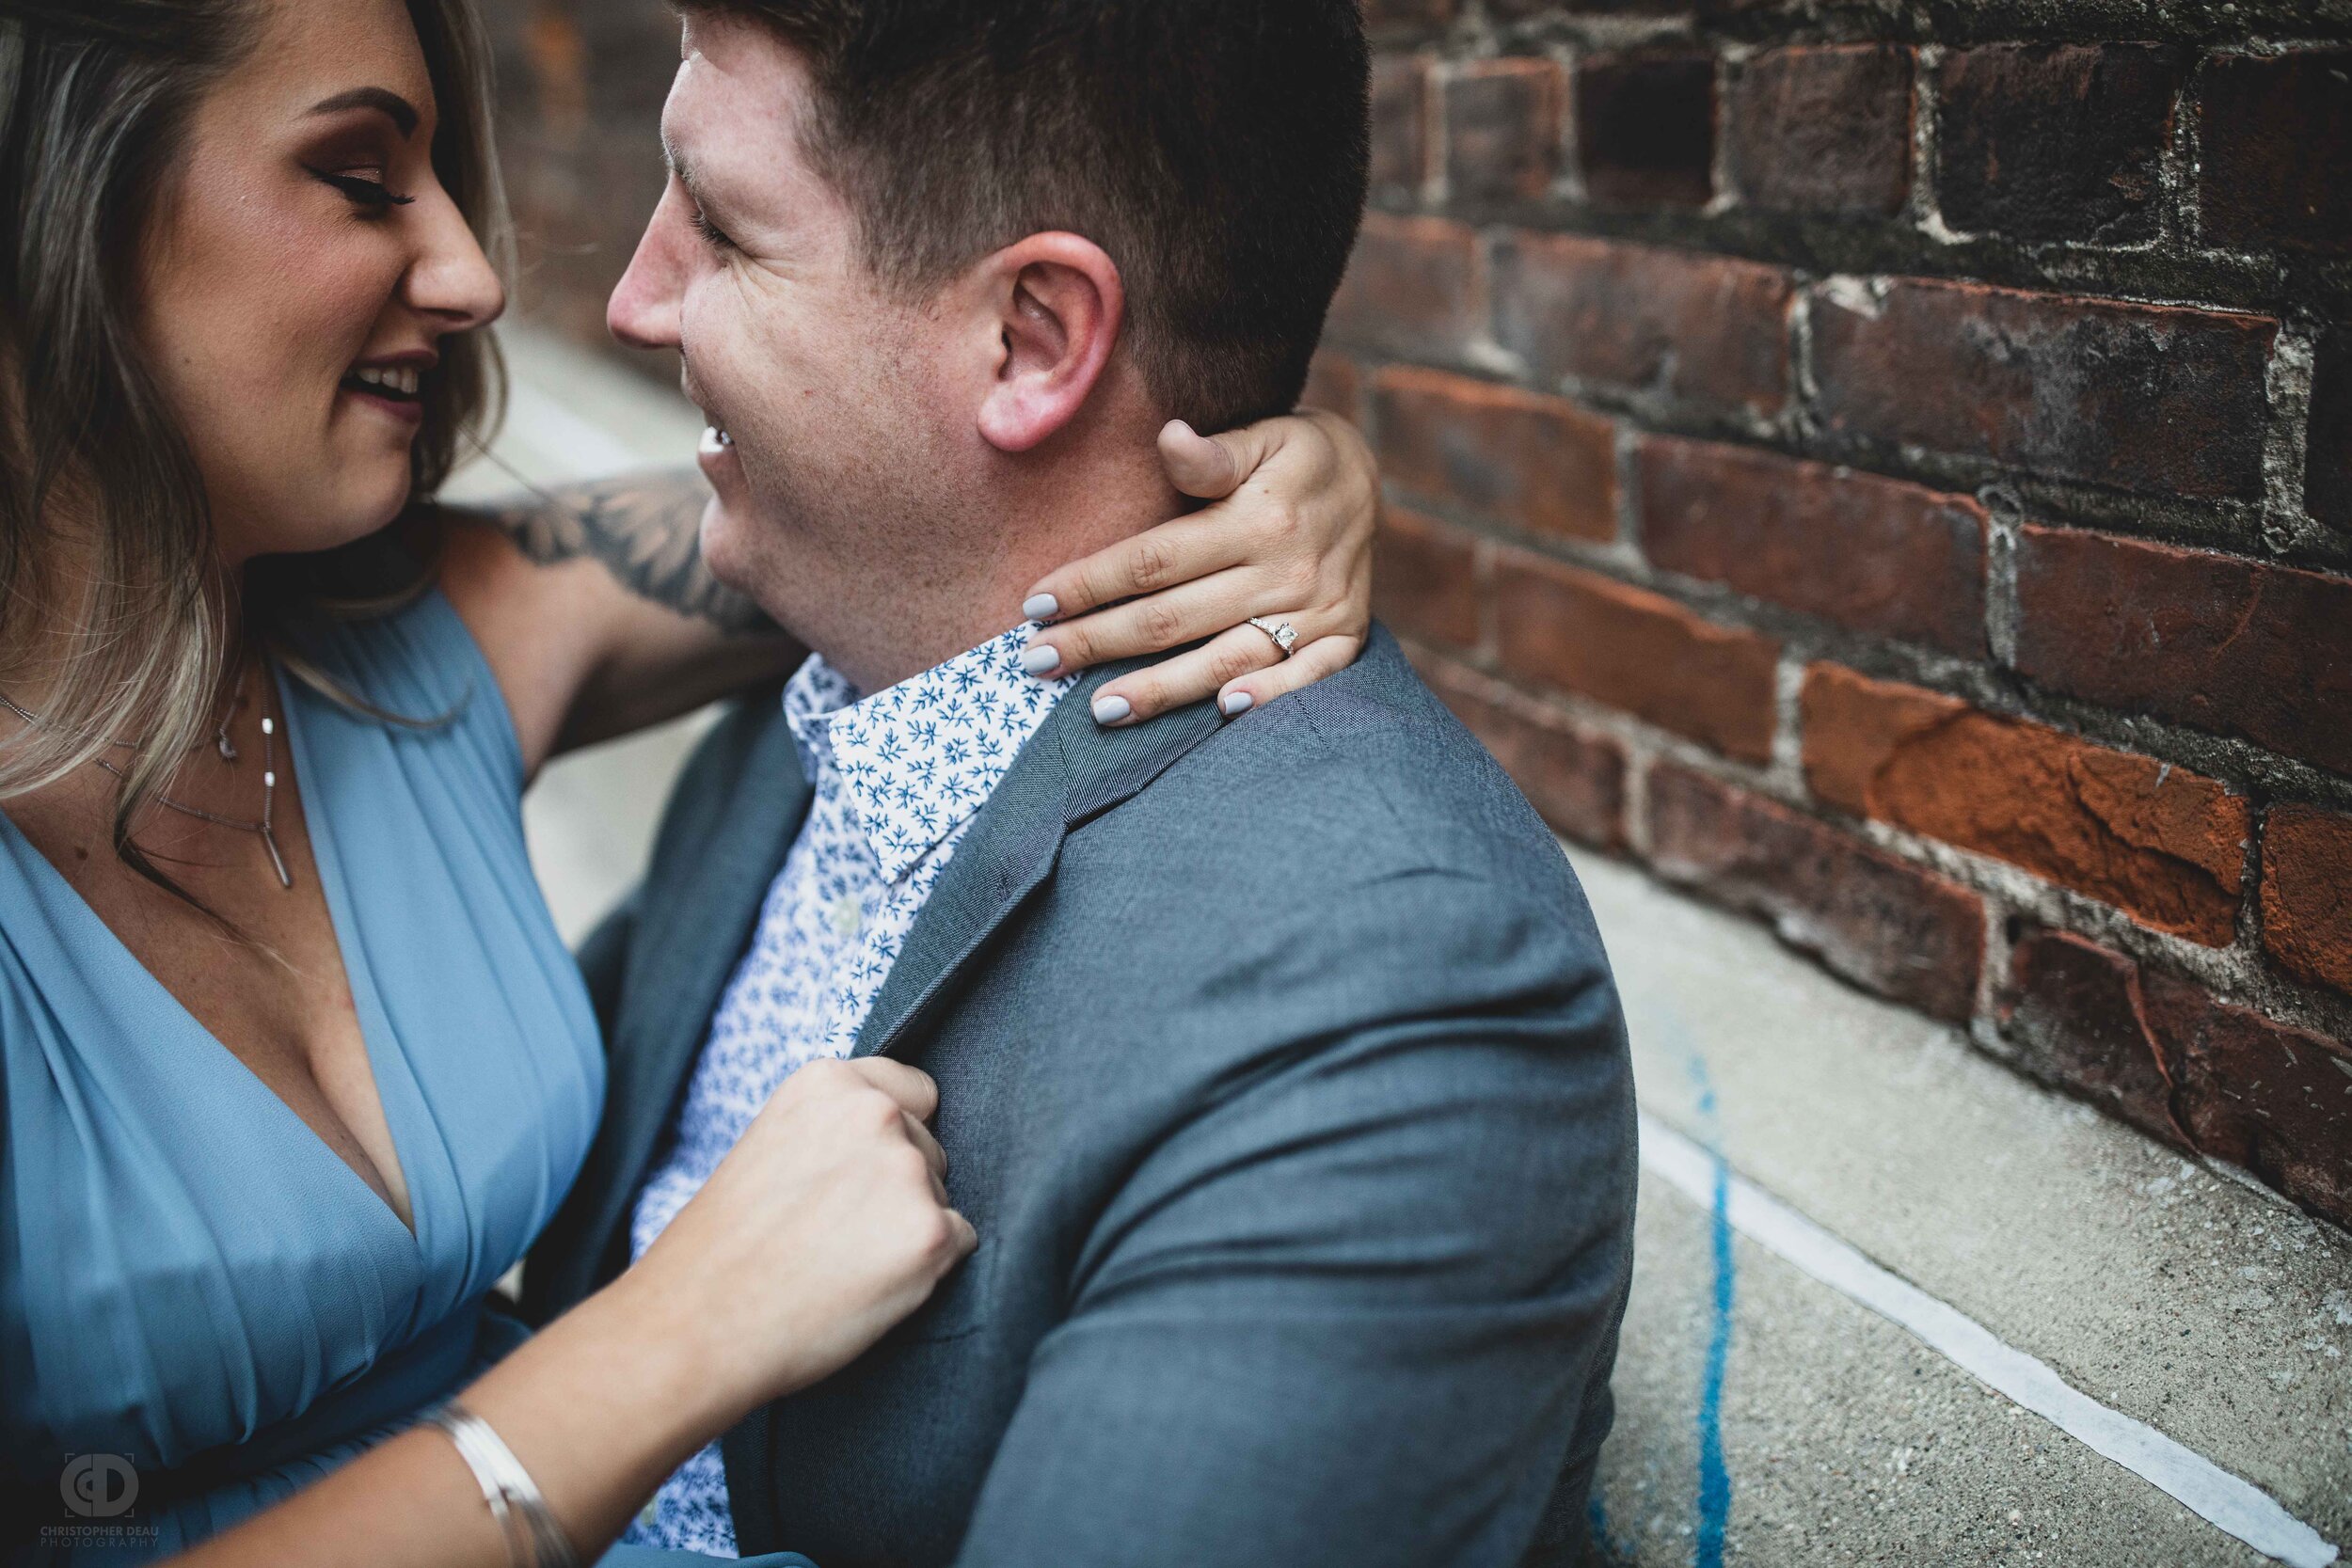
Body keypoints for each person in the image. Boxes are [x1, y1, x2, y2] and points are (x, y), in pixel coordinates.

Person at [0, 0, 1383, 1561]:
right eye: (365, 179)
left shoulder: (435, 636)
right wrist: (685, 1332)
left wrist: (1255, 469)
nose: (473, 277)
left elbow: (933, 486)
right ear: (58, 203)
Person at [526, 2, 1639, 1564]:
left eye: (718, 225)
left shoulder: (1395, 982)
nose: (639, 299)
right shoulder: (822, 664)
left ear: (1032, 338)